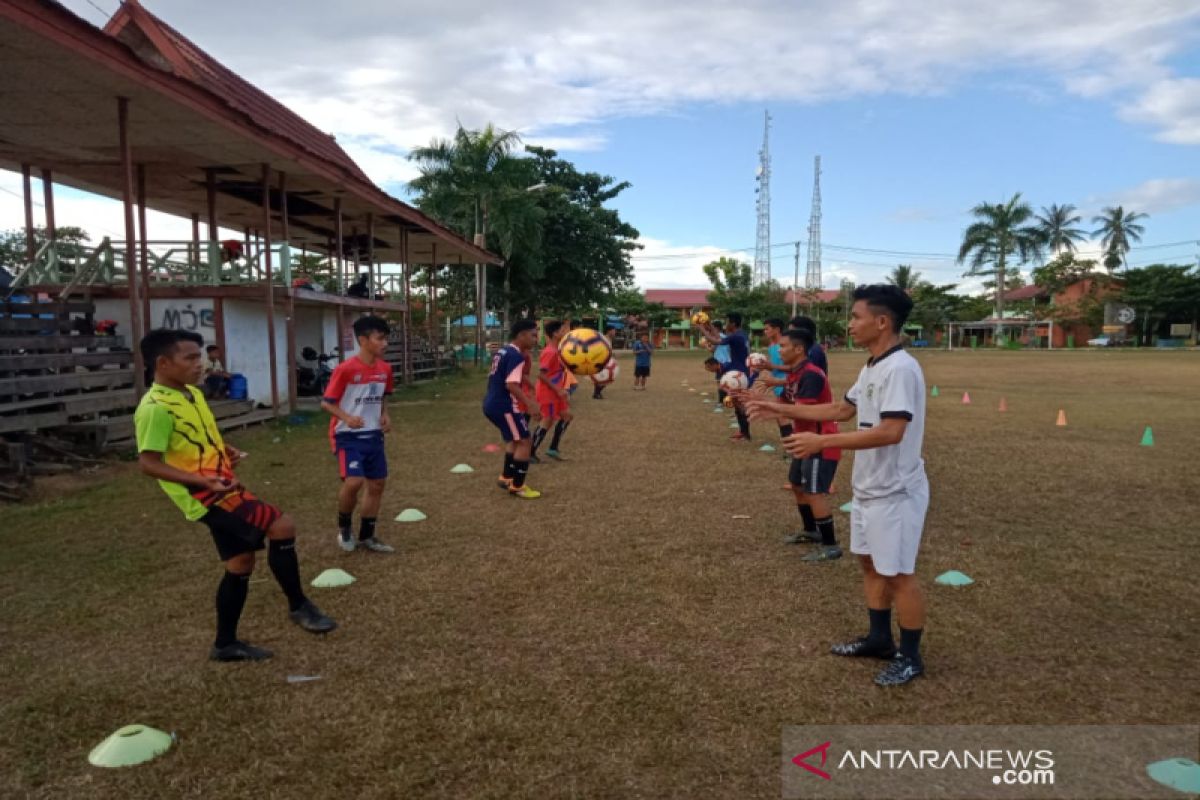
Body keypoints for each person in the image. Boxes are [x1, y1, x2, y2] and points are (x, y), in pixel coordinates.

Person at [746, 285, 929, 686]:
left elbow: (891, 431)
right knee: (868, 564)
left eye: (857, 316)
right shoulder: (871, 366)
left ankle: (911, 657)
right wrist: (775, 405)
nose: (850, 324)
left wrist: (822, 441)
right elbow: (841, 410)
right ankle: (880, 639)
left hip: (895, 491)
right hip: (869, 488)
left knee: (898, 574)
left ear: (881, 322)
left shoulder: (900, 369)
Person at [134, 329, 336, 663]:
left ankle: (225, 644)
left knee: (240, 562)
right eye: (190, 358)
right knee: (282, 526)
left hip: (221, 484)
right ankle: (300, 606)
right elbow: (149, 463)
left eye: (200, 357)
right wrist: (202, 481)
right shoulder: (154, 408)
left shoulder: (191, 394)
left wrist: (225, 450)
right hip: (204, 495)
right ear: (163, 363)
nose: (200, 364)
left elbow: (200, 435)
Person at [742, 328, 842, 560]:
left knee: (814, 492)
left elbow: (802, 410)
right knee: (797, 484)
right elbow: (787, 398)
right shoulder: (797, 372)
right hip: (803, 440)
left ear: (799, 349)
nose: (779, 349)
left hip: (819, 442)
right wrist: (760, 398)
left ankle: (831, 545)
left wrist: (765, 404)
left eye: (784, 346)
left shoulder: (811, 375)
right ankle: (811, 531)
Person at [321, 316, 396, 554]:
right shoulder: (345, 369)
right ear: (363, 340)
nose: (385, 344)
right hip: (347, 436)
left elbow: (383, 396)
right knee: (354, 481)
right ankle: (344, 528)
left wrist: (385, 414)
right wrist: (347, 417)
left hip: (373, 435)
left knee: (377, 484)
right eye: (380, 338)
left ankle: (368, 536)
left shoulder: (385, 369)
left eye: (386, 339)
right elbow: (326, 403)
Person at [483, 319, 542, 498]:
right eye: (533, 335)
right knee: (525, 441)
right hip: (504, 405)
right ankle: (518, 486)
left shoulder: (503, 351)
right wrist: (530, 403)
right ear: (521, 335)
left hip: (492, 403)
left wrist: (528, 385)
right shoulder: (516, 355)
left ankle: (506, 477)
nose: (535, 339)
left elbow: (501, 376)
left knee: (514, 440)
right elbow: (511, 384)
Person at [701, 312, 751, 441]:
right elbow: (719, 337)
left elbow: (715, 340)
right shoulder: (740, 334)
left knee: (739, 403)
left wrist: (701, 329)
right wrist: (709, 324)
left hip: (739, 373)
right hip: (739, 370)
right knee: (736, 402)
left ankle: (746, 432)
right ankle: (743, 432)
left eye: (727, 322)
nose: (725, 325)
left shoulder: (736, 336)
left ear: (733, 324)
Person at [532, 320, 573, 462]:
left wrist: (563, 389)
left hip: (557, 391)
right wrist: (557, 389)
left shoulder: (558, 350)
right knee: (547, 420)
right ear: (555, 334)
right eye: (563, 329)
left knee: (567, 416)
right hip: (547, 392)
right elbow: (541, 375)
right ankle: (530, 453)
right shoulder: (549, 352)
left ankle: (553, 449)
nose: (566, 332)